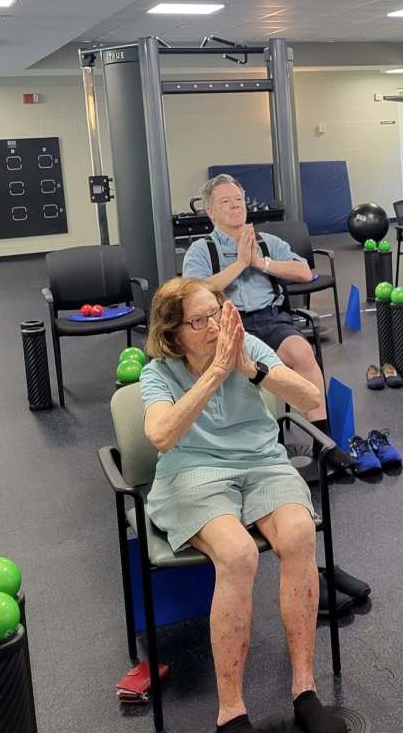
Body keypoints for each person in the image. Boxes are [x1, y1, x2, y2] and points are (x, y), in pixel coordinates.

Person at [140, 277, 348, 733]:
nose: (214, 326)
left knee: (297, 535)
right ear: (173, 333)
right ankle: (230, 712)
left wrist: (249, 368)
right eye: (199, 321)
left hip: (261, 463)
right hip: (192, 474)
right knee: (238, 555)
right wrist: (214, 373)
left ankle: (305, 689)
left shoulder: (246, 345)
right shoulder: (158, 373)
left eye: (216, 312)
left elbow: (310, 397)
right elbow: (160, 435)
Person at [182, 174, 331, 450]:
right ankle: (265, 447)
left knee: (302, 352)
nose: (235, 205)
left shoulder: (267, 242)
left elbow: (304, 272)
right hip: (228, 325)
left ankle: (324, 442)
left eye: (238, 200)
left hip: (271, 319)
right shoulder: (200, 251)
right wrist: (240, 264)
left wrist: (260, 263)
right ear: (211, 212)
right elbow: (194, 292)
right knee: (252, 372)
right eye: (226, 202)